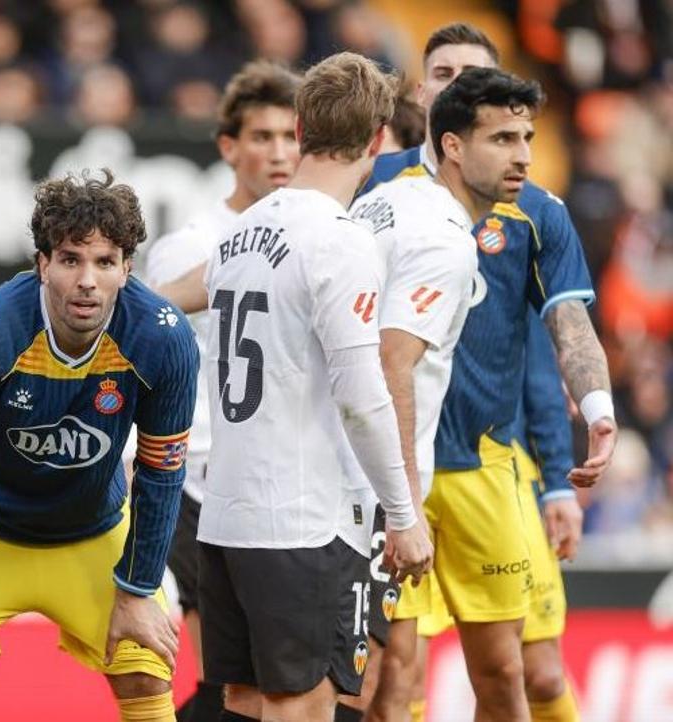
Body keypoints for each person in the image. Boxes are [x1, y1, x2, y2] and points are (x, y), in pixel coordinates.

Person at [362, 24, 613, 722]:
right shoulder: (376, 189)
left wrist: (588, 420)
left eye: (475, 74)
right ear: (426, 94)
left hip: (485, 465)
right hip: (391, 470)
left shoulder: (536, 211)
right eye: (445, 73)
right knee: (390, 672)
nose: (459, 85)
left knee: (512, 666)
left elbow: (554, 336)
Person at [0, 170, 199, 722]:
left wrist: (137, 590)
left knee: (147, 671)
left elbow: (161, 472)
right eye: (70, 259)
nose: (87, 280)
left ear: (127, 268)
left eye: (105, 262)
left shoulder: (163, 336)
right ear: (42, 264)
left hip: (94, 532)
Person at [195, 52, 433, 722]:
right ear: (379, 140)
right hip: (299, 518)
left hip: (227, 512)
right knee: (303, 703)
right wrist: (404, 516)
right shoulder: (340, 240)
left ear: (299, 129)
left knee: (242, 700)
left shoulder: (237, 233)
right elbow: (362, 393)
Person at [340, 67, 553, 722]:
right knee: (371, 680)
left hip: (369, 476)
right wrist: (402, 511)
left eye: (526, 137)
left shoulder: (391, 203)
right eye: (500, 139)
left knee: (489, 671)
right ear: (452, 145)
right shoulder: (442, 237)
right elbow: (392, 366)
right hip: (373, 489)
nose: (521, 156)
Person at [139, 58, 301, 722]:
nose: (281, 152)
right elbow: (151, 336)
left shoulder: (316, 234)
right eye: (263, 137)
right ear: (230, 147)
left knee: (275, 683)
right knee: (228, 683)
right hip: (196, 479)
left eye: (293, 137)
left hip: (280, 480)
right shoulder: (191, 245)